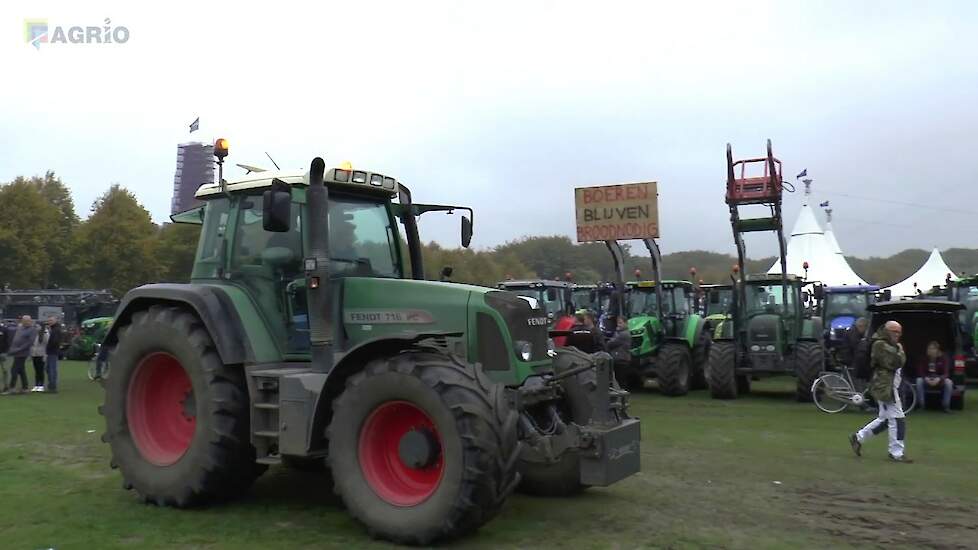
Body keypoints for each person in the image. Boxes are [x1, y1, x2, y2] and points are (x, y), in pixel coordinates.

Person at [850, 321, 912, 463]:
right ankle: (896, 452)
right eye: (894, 331)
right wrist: (900, 351)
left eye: (899, 332)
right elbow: (896, 362)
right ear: (887, 330)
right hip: (885, 386)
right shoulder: (880, 344)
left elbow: (898, 360)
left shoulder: (889, 345)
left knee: (885, 420)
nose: (897, 335)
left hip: (888, 385)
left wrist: (898, 352)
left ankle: (858, 438)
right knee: (898, 419)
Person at [3, 316, 38, 395]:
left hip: (22, 353)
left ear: (30, 321)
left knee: (14, 370)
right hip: (15, 352)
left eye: (26, 321)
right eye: (23, 321)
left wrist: (18, 349)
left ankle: (12, 388)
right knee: (21, 370)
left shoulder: (32, 330)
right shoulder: (20, 328)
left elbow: (29, 342)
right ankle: (25, 388)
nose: (24, 322)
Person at [914, 340, 952, 413]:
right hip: (927, 379)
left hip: (939, 380)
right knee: (919, 381)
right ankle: (921, 405)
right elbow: (920, 371)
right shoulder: (923, 358)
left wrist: (939, 379)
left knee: (949, 382)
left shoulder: (943, 358)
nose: (930, 350)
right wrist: (926, 378)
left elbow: (946, 373)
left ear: (937, 350)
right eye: (929, 349)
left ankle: (946, 406)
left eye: (932, 348)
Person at [45, 316, 63, 393]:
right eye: (49, 320)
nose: (49, 322)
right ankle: (52, 385)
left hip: (52, 351)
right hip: (52, 351)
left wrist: (49, 347)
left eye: (51, 320)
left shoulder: (55, 330)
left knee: (51, 369)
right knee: (49, 368)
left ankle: (52, 386)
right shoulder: (55, 329)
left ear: (55, 321)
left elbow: (54, 341)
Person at [30, 322, 49, 392]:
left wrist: (45, 355)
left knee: (40, 370)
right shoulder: (34, 334)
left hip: (41, 354)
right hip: (34, 354)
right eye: (36, 326)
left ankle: (41, 385)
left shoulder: (44, 334)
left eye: (38, 326)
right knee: (36, 370)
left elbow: (47, 343)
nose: (36, 328)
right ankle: (36, 384)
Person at [0, 321, 10, 393]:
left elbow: (8, 340)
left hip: (3, 353)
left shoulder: (4, 329)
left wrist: (7, 350)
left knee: (5, 370)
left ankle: (6, 386)